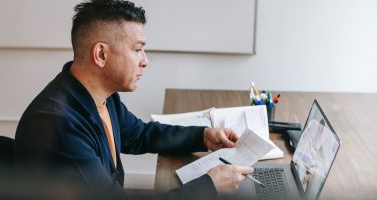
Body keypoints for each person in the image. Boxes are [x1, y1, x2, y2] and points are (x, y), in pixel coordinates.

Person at [14, 0, 253, 199]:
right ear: (101, 54)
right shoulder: (59, 124)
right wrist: (209, 186)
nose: (144, 60)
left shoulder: (101, 96)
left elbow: (139, 134)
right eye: (137, 49)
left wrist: (202, 136)